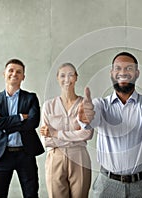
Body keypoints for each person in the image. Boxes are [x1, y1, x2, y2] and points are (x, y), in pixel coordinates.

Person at [78, 51, 142, 198]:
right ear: (111, 73)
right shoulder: (100, 105)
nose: (123, 72)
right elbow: (91, 120)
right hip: (107, 185)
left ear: (137, 73)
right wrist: (85, 117)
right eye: (118, 68)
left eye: (129, 68)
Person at [0, 58, 44, 198]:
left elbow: (33, 123)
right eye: (10, 70)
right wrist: (19, 118)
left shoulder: (31, 98)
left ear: (23, 77)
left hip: (25, 154)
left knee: (31, 195)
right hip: (1, 155)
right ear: (4, 74)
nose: (14, 74)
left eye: (19, 72)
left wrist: (3, 123)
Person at [40, 63, 93, 198]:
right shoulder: (48, 106)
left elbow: (87, 133)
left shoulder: (84, 104)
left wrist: (56, 133)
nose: (67, 79)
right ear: (57, 78)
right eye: (62, 75)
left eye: (71, 75)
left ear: (76, 78)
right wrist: (75, 136)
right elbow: (46, 140)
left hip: (79, 157)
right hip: (55, 157)